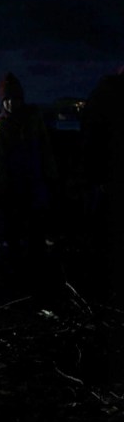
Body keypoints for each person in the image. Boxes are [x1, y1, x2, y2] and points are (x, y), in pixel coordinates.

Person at [0, 72, 61, 297]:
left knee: (37, 226)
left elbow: (44, 146)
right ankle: (18, 276)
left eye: (15, 98)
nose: (11, 103)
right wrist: (2, 185)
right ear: (2, 101)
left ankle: (39, 272)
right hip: (14, 183)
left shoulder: (33, 117)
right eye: (6, 99)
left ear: (21, 98)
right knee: (15, 228)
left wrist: (51, 173)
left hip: (35, 180)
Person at [79, 66, 124, 306]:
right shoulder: (108, 94)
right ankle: (103, 296)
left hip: (104, 181)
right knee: (106, 238)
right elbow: (93, 140)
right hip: (107, 182)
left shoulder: (102, 93)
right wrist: (98, 178)